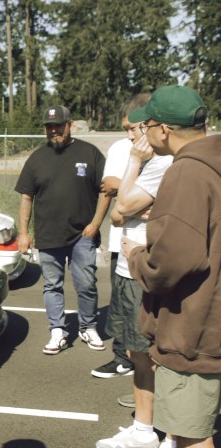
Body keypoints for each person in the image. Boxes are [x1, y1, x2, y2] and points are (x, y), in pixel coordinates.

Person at [119, 86, 221, 448]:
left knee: (193, 436)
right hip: (213, 319)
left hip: (195, 327)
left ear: (162, 129)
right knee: (206, 432)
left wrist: (138, 256)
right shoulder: (214, 160)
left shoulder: (187, 171)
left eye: (146, 126)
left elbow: (174, 261)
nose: (143, 134)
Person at [94, 110, 177, 448]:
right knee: (136, 351)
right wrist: (135, 203)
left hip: (151, 271)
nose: (129, 137)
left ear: (154, 127)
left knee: (163, 358)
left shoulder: (163, 163)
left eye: (133, 129)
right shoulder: (145, 163)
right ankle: (144, 430)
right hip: (130, 268)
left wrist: (133, 170)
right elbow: (118, 215)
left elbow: (123, 206)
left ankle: (172, 442)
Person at [15, 105, 111, 354]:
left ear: (70, 125)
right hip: (48, 235)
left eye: (58, 125)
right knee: (52, 286)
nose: (53, 130)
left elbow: (105, 191)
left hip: (82, 235)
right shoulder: (37, 158)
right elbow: (26, 197)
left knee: (87, 284)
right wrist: (23, 233)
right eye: (49, 126)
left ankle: (88, 327)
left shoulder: (89, 153)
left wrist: (95, 224)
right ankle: (57, 330)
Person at [91, 94, 150, 380]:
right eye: (125, 128)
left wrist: (126, 189)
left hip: (152, 247)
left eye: (132, 128)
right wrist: (138, 197)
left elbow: (122, 191)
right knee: (123, 308)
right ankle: (122, 358)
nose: (128, 135)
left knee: (148, 314)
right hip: (121, 242)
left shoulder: (165, 153)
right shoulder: (120, 148)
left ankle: (146, 370)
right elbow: (109, 187)